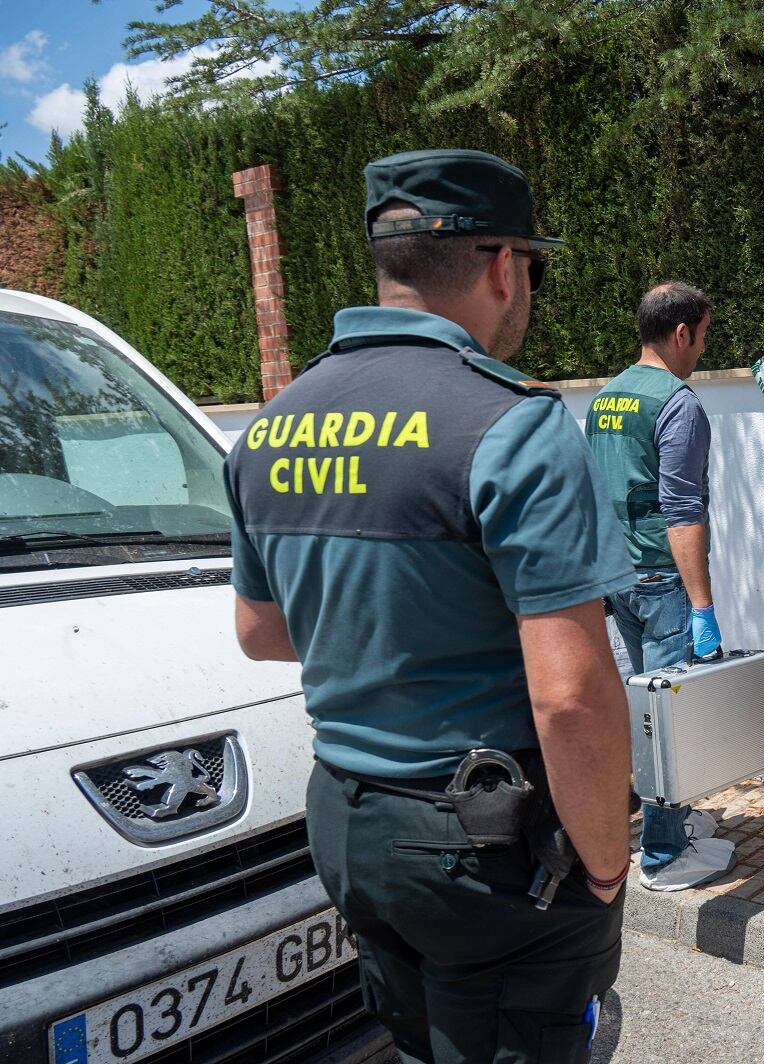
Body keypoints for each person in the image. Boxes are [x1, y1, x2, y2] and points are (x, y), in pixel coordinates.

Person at [225, 148, 637, 1062]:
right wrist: (606, 864)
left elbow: (261, 632)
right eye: (532, 265)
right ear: (501, 265)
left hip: (348, 824)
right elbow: (570, 696)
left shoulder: (271, 426)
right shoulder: (511, 424)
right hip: (485, 846)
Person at [585, 281, 736, 891]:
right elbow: (681, 508)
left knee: (644, 709)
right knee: (666, 719)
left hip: (617, 578)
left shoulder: (605, 399)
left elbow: (595, 492)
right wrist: (702, 605)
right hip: (660, 581)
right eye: (702, 335)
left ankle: (670, 817)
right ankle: (665, 854)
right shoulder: (678, 404)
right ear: (682, 332)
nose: (701, 348)